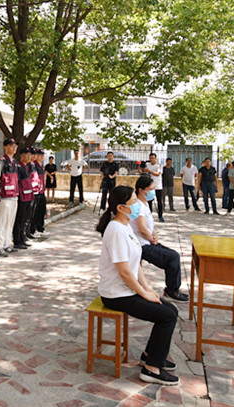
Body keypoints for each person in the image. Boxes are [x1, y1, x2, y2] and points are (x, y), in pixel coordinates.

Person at [96, 185, 180, 386]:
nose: (137, 205)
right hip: (116, 293)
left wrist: (148, 288)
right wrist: (142, 293)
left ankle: (150, 355)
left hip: (126, 289)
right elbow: (124, 271)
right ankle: (151, 369)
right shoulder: (116, 229)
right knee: (167, 315)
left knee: (168, 308)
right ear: (121, 207)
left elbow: (136, 264)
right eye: (133, 202)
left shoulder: (126, 225)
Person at [131, 175, 189, 302]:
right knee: (173, 258)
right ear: (141, 190)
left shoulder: (145, 204)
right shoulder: (139, 206)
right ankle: (171, 291)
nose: (153, 191)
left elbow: (149, 226)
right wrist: (151, 239)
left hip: (148, 241)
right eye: (151, 189)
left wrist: (154, 235)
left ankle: (172, 289)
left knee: (174, 255)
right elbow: (141, 228)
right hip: (141, 245)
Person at [0, 139, 20, 256]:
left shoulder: (14, 162)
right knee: (1, 222)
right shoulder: (1, 162)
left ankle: (7, 244)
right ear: (5, 147)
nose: (14, 148)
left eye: (15, 146)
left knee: (10, 222)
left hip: (13, 196)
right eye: (11, 146)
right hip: (3, 197)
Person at [12, 147, 34, 250]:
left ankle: (22, 238)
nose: (29, 157)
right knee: (19, 219)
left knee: (24, 218)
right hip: (22, 197)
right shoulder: (19, 167)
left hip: (28, 197)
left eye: (30, 155)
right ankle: (17, 240)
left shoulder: (27, 167)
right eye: (27, 155)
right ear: (21, 156)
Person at [29, 148, 48, 239]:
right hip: (36, 191)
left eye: (42, 155)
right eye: (39, 155)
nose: (41, 157)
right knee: (35, 212)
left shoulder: (40, 166)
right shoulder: (34, 165)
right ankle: (33, 229)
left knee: (42, 210)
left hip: (41, 190)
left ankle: (40, 227)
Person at [143, 153, 164, 220]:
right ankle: (149, 215)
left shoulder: (159, 165)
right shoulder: (147, 165)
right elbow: (144, 173)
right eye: (150, 158)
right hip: (149, 187)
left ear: (155, 158)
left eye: (153, 158)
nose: (151, 159)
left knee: (159, 201)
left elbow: (157, 174)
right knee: (149, 201)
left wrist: (149, 171)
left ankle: (160, 215)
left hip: (158, 186)